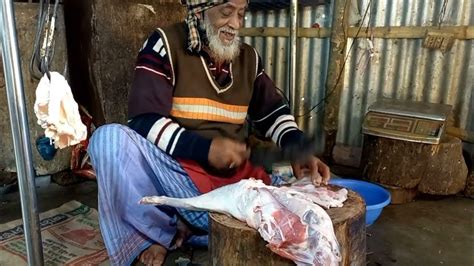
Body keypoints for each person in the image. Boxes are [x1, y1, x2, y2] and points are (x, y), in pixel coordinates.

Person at [88, 0, 331, 265]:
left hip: (235, 186)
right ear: (200, 9)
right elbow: (144, 120)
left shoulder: (249, 58)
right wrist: (205, 149)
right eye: (226, 12)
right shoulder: (163, 44)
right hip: (178, 179)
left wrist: (297, 147)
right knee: (108, 140)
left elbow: (272, 112)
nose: (235, 24)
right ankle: (153, 235)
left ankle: (186, 229)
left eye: (241, 14)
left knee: (299, 219)